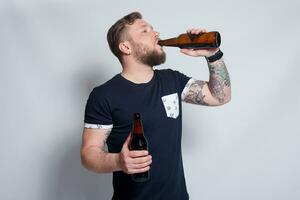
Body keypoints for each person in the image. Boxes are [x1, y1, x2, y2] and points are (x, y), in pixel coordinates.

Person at [80, 11, 231, 200]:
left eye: (153, 29)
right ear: (126, 47)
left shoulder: (172, 80)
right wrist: (118, 161)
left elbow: (220, 97)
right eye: (145, 31)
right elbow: (89, 153)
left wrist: (213, 54)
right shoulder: (104, 95)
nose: (156, 34)